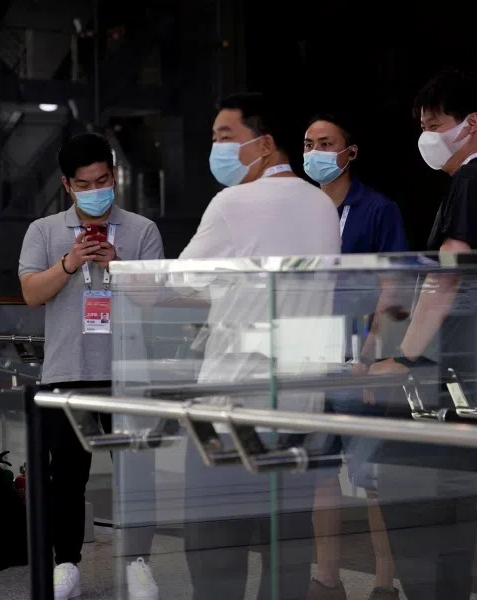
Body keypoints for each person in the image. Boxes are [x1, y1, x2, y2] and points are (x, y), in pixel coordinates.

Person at [368, 67, 477, 600]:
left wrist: (405, 359)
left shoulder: (475, 181)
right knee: (453, 507)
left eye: (435, 123)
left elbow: (446, 276)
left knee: (409, 490)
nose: (427, 136)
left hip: (451, 369)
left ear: (472, 123)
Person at [178, 92, 342, 600]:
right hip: (300, 402)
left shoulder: (232, 203)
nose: (216, 148)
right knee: (285, 546)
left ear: (264, 143)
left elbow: (177, 282)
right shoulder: (321, 202)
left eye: (225, 137)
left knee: (215, 545)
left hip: (232, 398)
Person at [18, 132, 165, 600]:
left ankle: (139, 562)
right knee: (66, 475)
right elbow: (31, 293)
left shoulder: (142, 230)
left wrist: (119, 266)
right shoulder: (43, 231)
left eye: (104, 179)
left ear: (114, 175)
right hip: (67, 370)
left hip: (128, 371)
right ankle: (66, 564)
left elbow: (156, 300)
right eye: (86, 183)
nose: (97, 189)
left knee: (138, 473)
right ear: (68, 185)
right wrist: (69, 262)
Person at [303, 114, 408, 600]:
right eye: (308, 144)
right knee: (320, 472)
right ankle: (327, 577)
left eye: (326, 143)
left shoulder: (377, 210)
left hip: (359, 359)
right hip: (310, 357)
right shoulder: (300, 210)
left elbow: (392, 288)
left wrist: (368, 356)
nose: (316, 152)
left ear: (351, 152)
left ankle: (385, 583)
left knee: (370, 479)